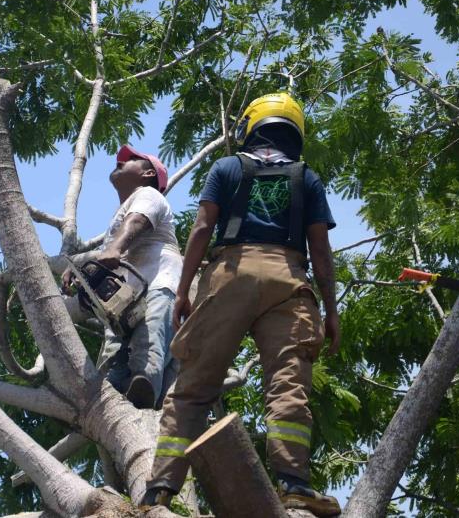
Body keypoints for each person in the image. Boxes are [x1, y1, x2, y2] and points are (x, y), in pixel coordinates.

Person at [141, 93, 342, 516]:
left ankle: (159, 488)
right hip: (288, 278)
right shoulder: (306, 177)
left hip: (229, 274)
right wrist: (330, 309)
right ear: (295, 132)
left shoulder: (228, 167)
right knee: (288, 386)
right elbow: (321, 252)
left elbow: (201, 229)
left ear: (251, 126)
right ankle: (293, 483)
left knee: (194, 387)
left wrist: (183, 291)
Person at [63, 144, 182, 409]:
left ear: (148, 173)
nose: (121, 161)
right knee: (118, 355)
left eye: (131, 160)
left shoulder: (149, 195)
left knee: (149, 339)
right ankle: (118, 395)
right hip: (130, 299)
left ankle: (144, 382)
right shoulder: (119, 216)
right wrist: (80, 268)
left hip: (158, 283)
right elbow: (107, 249)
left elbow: (136, 223)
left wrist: (115, 250)